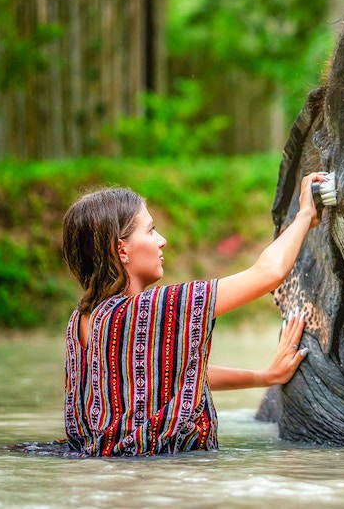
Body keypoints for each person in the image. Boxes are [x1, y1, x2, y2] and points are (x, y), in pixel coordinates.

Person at [58, 173, 326, 457]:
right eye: (150, 231)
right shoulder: (149, 309)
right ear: (121, 248)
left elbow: (173, 375)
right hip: (158, 476)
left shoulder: (82, 321)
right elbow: (267, 274)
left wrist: (263, 376)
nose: (162, 241)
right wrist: (304, 216)